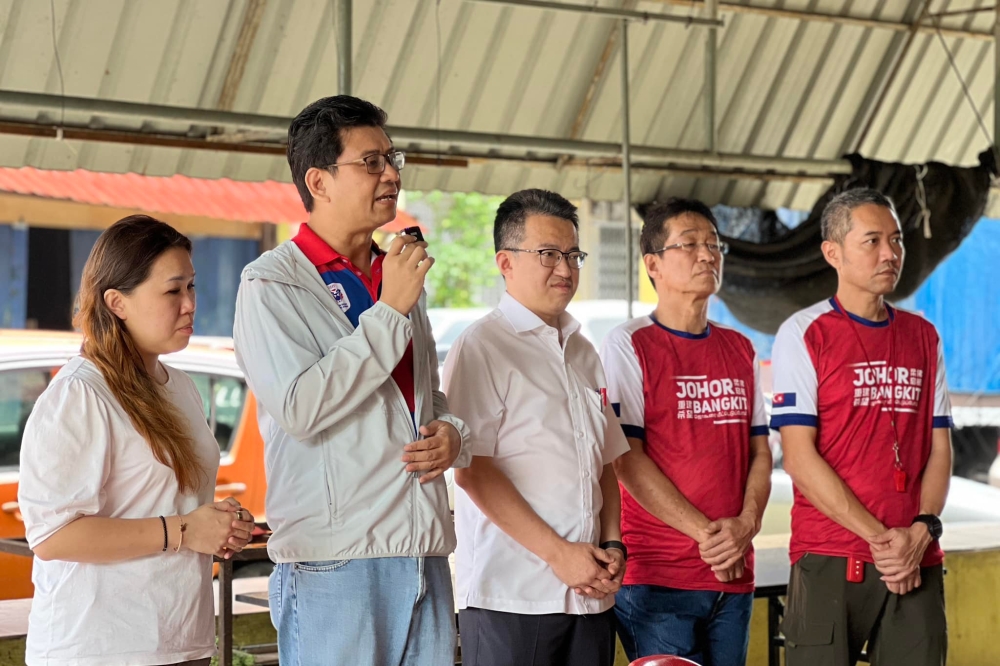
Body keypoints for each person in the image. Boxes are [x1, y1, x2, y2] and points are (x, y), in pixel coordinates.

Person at [233, 95, 470, 666]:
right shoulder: (271, 284)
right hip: (335, 558)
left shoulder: (396, 272)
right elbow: (299, 406)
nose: (391, 174)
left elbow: (422, 396)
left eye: (392, 159)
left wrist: (453, 433)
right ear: (319, 180)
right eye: (371, 162)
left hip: (421, 546)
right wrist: (389, 313)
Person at [18, 215, 254, 666]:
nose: (189, 305)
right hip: (100, 647)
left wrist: (219, 523)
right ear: (117, 302)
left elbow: (165, 500)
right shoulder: (80, 393)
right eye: (172, 290)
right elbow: (53, 536)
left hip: (181, 636)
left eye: (191, 287)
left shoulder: (180, 385)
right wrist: (186, 530)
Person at [443, 189, 630, 666]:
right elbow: (472, 470)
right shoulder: (482, 345)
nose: (565, 269)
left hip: (590, 596)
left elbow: (603, 462)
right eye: (548, 254)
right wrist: (559, 554)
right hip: (513, 597)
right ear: (505, 262)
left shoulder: (583, 349)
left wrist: (611, 544)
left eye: (573, 255)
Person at [771, 188, 953, 666]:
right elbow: (798, 456)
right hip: (831, 554)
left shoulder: (922, 336)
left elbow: (939, 447)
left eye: (895, 240)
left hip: (917, 555)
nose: (890, 253)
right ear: (833, 253)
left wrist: (921, 531)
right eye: (872, 241)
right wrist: (882, 540)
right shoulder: (804, 333)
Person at [600, 198, 772, 665]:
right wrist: (709, 536)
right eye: (690, 244)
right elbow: (625, 459)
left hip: (732, 575)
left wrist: (745, 527)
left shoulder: (740, 347)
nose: (707, 255)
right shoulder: (629, 343)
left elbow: (761, 453)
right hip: (659, 578)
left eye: (714, 245)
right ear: (652, 264)